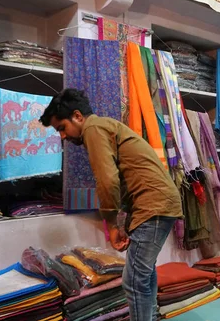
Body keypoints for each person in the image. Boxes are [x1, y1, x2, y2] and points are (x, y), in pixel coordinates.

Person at [39, 88, 182, 321]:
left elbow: (107, 180)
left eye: (62, 128)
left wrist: (112, 225)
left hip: (153, 204)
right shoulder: (105, 127)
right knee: (143, 276)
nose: (63, 137)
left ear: (77, 116)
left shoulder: (93, 129)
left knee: (134, 280)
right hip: (153, 203)